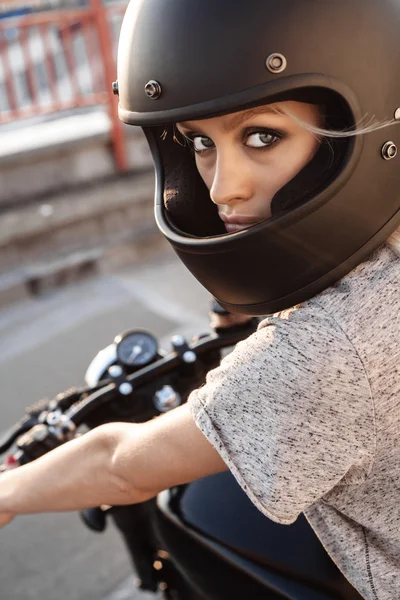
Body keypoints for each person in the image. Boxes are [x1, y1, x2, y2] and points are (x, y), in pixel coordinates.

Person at [1, 1, 400, 598]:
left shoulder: (329, 348)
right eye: (199, 142)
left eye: (263, 136)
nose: (221, 187)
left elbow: (124, 465)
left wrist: (7, 493)